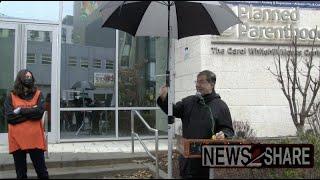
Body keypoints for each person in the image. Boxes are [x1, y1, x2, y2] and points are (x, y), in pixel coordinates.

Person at [157, 70, 234, 179]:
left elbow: (228, 129)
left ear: (211, 84)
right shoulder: (189, 102)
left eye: (201, 82)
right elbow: (173, 110)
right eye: (196, 82)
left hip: (206, 163)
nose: (197, 85)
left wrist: (223, 134)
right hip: (187, 162)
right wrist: (164, 98)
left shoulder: (220, 106)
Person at [4, 69, 49, 179]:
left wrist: (20, 110)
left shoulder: (38, 94)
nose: (29, 79)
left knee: (42, 172)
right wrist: (31, 112)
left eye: (30, 77)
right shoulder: (11, 96)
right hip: (17, 139)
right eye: (26, 77)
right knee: (21, 173)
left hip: (35, 138)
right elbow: (10, 117)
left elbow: (39, 113)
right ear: (20, 79)